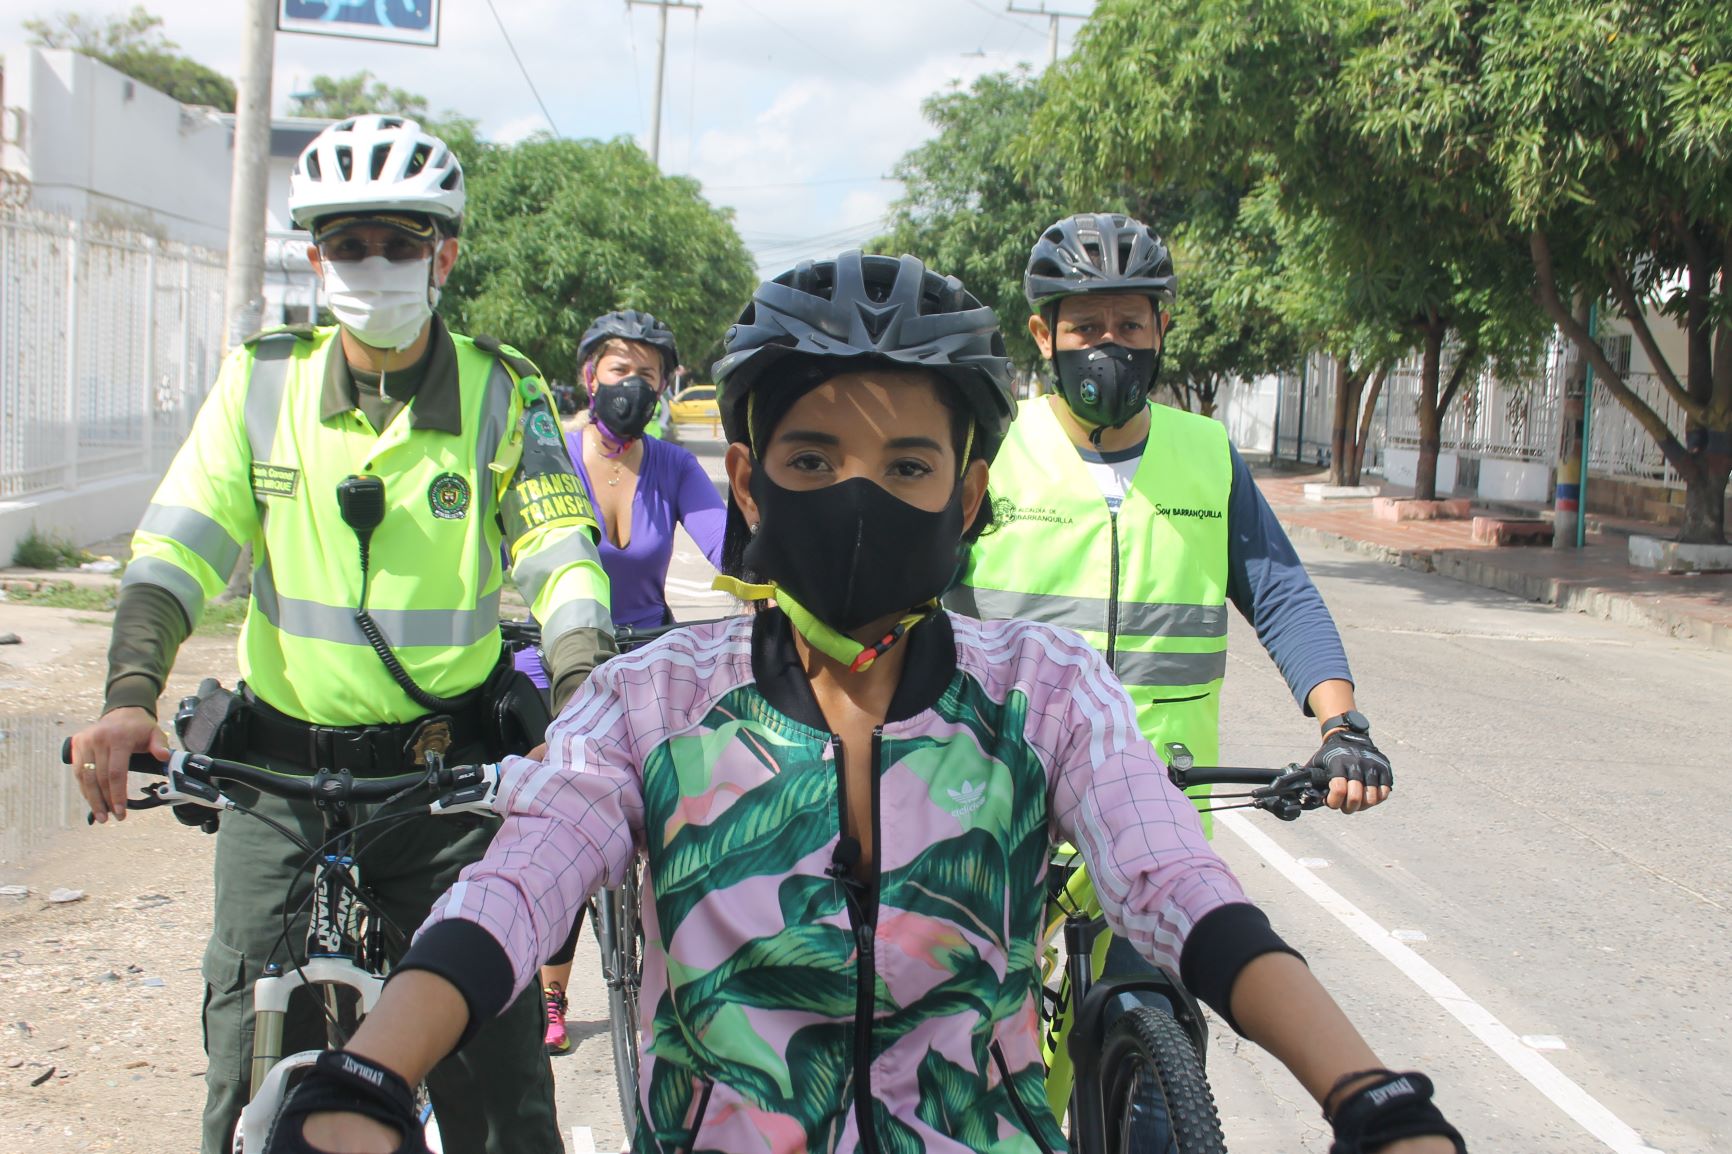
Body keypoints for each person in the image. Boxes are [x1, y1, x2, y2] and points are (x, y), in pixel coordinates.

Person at [260, 251, 1464, 1154]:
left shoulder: (1040, 694)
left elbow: (1181, 890)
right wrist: (372, 1073)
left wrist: (1364, 1090)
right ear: (747, 477)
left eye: (905, 469)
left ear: (968, 491)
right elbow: (511, 893)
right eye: (812, 460)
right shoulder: (653, 701)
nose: (856, 498)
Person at [65, 114, 613, 1154]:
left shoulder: (503, 392)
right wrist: (130, 691)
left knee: (497, 1088)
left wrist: (579, 712)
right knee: (244, 1062)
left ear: (442, 253)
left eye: (400, 242)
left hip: (446, 784)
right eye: (348, 243)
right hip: (276, 781)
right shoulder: (261, 383)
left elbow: (562, 557)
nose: (375, 264)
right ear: (315, 258)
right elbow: (177, 549)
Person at [950, 212, 1393, 807]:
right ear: (1043, 334)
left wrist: (1343, 727)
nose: (1109, 346)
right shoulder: (991, 449)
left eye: (1130, 325)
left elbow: (1283, 596)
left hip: (1162, 818)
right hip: (997, 811)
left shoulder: (1208, 455)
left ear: (1161, 329)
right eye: (1085, 327)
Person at [517, 309, 727, 1054]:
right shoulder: (551, 457)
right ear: (587, 378)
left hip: (648, 661)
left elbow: (729, 546)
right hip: (555, 662)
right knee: (560, 823)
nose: (631, 387)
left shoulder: (673, 466)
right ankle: (549, 989)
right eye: (617, 370)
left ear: (666, 385)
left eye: (647, 374)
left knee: (688, 821)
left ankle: (697, 978)